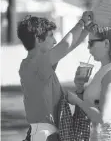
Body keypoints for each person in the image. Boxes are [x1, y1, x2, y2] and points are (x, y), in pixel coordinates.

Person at [18, 11, 93, 141]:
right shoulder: (38, 64)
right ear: (38, 39)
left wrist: (85, 31)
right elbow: (64, 45)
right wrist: (81, 23)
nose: (54, 41)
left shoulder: (33, 65)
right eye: (51, 36)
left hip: (42, 133)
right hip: (45, 134)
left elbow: (66, 48)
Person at [68, 24, 111, 141]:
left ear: (106, 44)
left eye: (91, 43)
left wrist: (76, 100)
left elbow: (103, 117)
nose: (88, 48)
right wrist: (80, 88)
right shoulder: (103, 70)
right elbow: (91, 107)